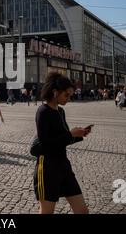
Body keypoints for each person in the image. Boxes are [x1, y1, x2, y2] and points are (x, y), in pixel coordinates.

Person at [32, 72, 91, 214]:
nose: (69, 98)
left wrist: (78, 135)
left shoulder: (61, 111)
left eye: (70, 95)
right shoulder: (43, 112)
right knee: (46, 212)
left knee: (82, 210)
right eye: (66, 95)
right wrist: (70, 134)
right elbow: (45, 145)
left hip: (63, 166)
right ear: (55, 92)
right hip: (47, 169)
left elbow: (62, 139)